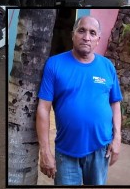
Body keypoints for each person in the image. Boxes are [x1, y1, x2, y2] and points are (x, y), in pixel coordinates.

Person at [36, 15, 123, 185]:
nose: (86, 37)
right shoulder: (54, 64)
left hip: (100, 149)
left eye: (92, 33)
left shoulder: (107, 66)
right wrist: (45, 151)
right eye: (81, 30)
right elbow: (43, 109)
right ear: (73, 34)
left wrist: (117, 138)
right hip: (66, 150)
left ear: (98, 39)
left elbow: (115, 103)